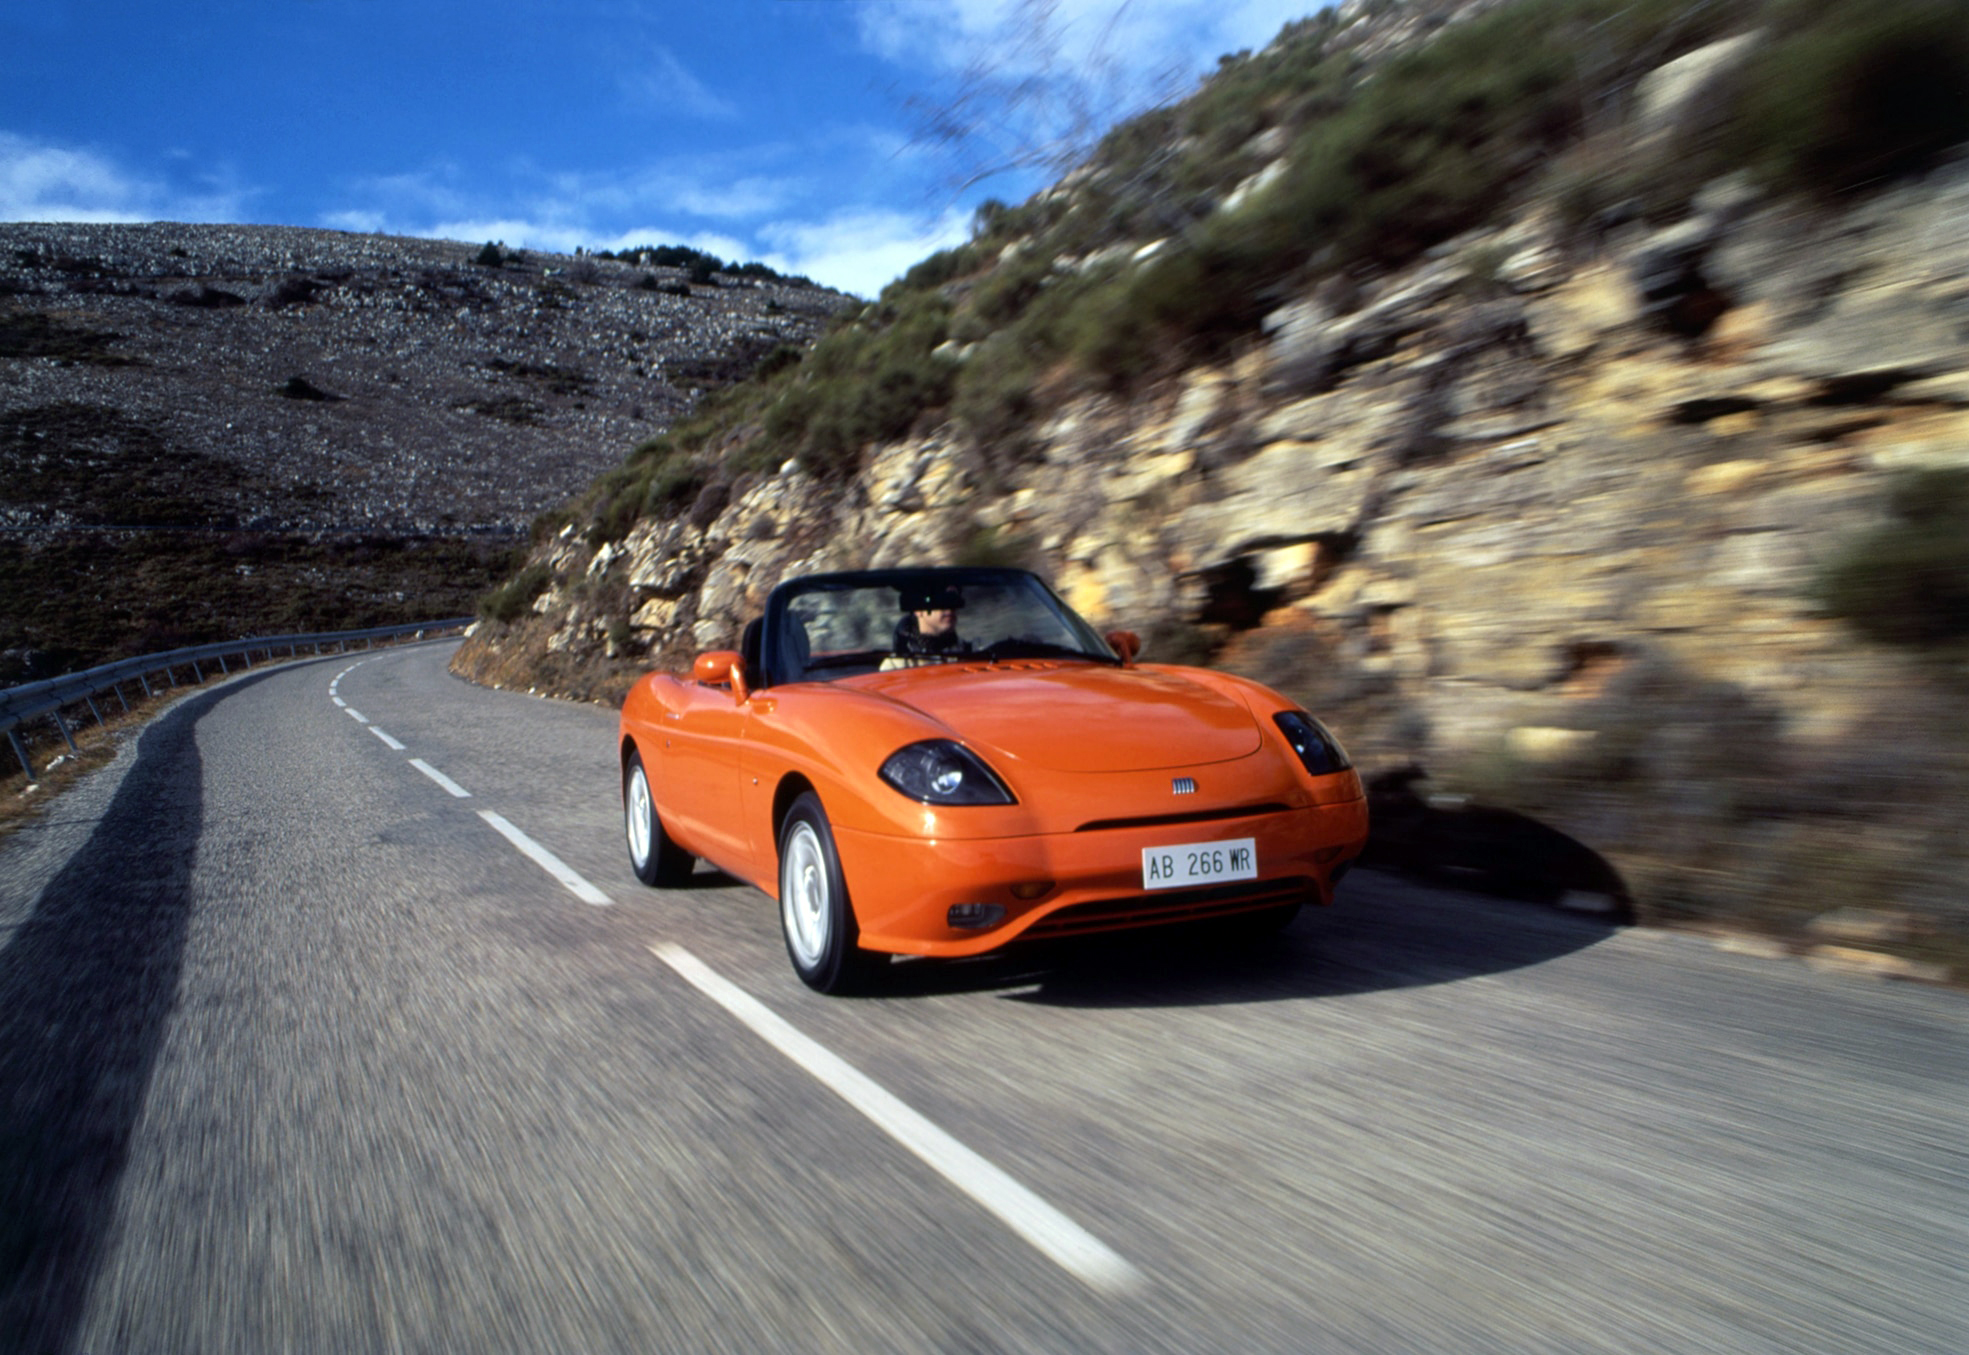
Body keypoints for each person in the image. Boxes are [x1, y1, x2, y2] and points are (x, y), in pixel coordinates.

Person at [880, 585, 970, 668]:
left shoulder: (970, 655)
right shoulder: (896, 665)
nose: (949, 609)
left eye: (953, 600)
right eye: (940, 600)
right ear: (918, 610)